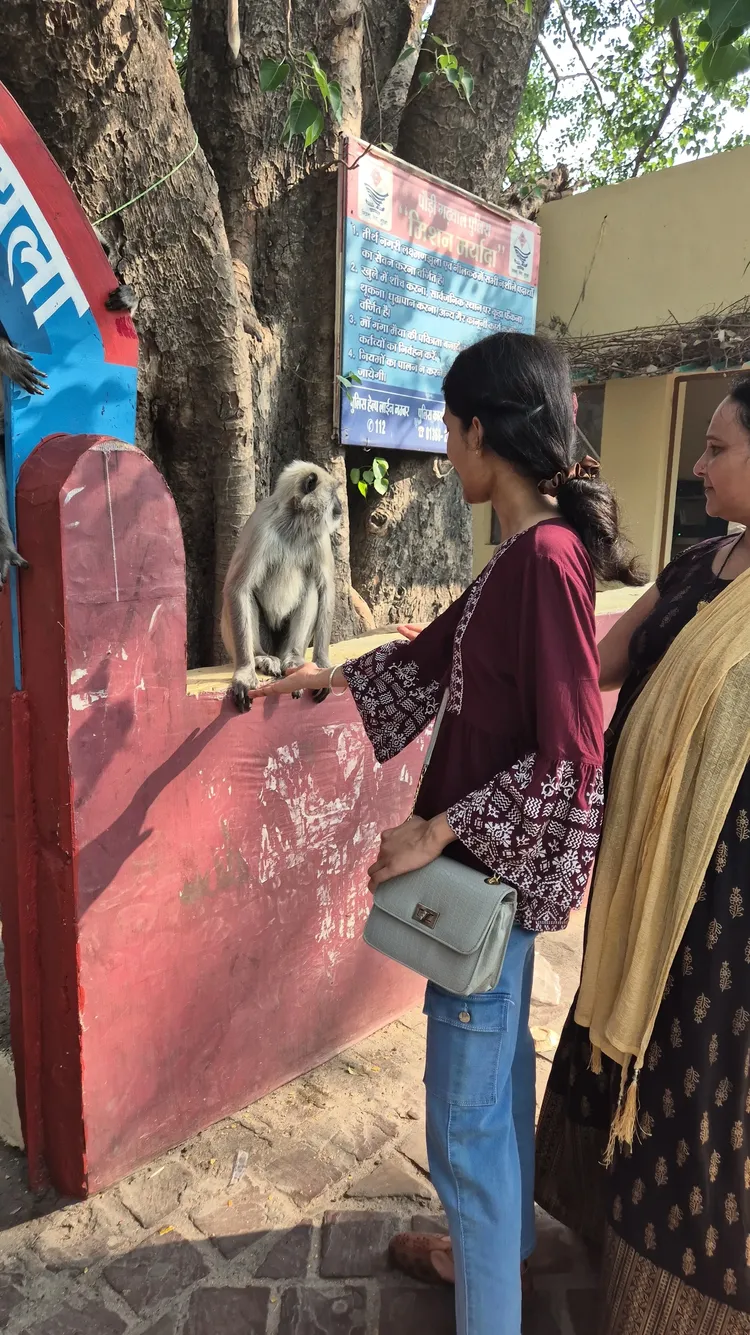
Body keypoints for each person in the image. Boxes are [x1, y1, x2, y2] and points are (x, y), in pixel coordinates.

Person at [246, 331, 641, 1335]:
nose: (445, 446)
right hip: (487, 892)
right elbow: (429, 656)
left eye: (449, 428)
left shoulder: (544, 560)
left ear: (481, 433)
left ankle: (490, 1299)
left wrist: (436, 829)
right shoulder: (522, 557)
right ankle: (495, 1261)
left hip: (481, 889)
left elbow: (573, 753)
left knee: (464, 1138)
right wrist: (321, 678)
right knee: (492, 1103)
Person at [536, 374, 750, 1335]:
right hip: (641, 874)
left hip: (723, 907)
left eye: (718, 448)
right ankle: (589, 1226)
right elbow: (598, 660)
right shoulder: (700, 562)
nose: (699, 465)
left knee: (693, 1081)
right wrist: (488, 648)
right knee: (612, 1034)